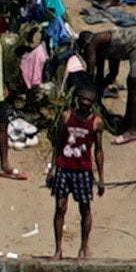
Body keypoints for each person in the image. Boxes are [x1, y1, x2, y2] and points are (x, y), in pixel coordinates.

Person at [47, 89, 106, 258]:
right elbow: (58, 143)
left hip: (83, 170)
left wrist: (101, 178)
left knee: (85, 208)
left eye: (89, 101)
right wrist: (52, 168)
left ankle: (83, 247)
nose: (85, 103)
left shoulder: (96, 123)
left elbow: (99, 150)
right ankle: (58, 249)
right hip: (63, 167)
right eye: (83, 100)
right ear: (77, 100)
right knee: (60, 207)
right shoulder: (66, 117)